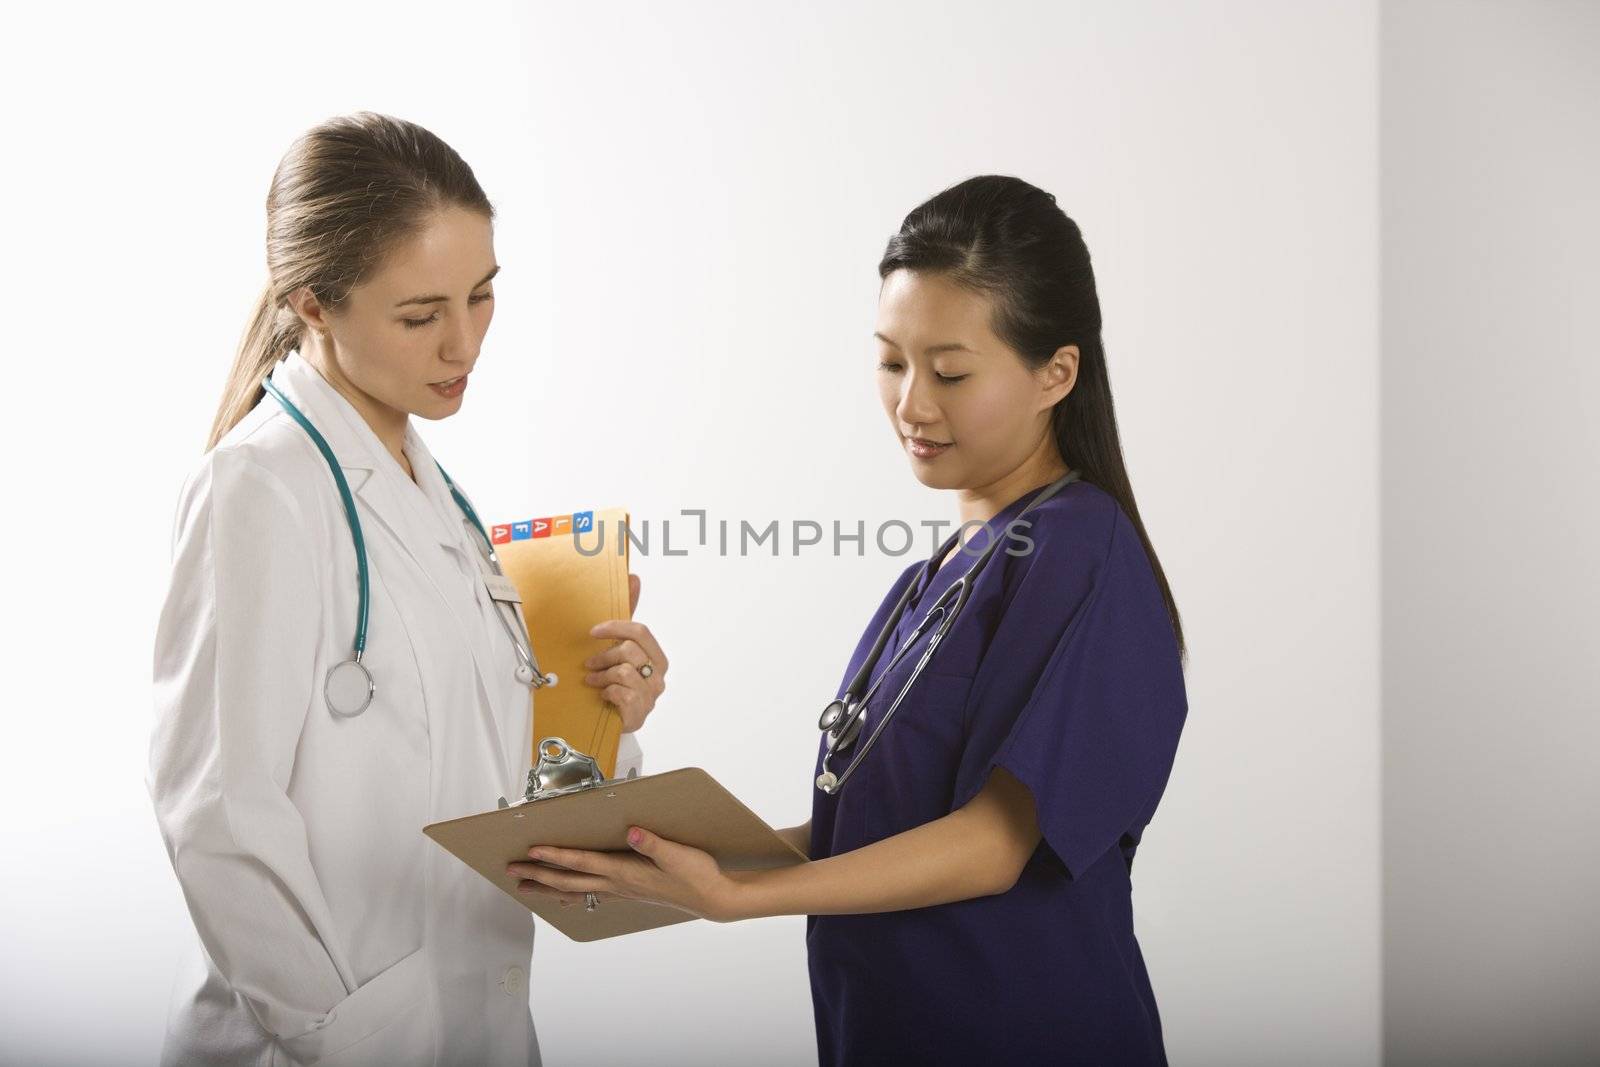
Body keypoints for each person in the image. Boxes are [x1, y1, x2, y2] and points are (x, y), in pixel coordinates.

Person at [506, 175, 1190, 1065]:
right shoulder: (934, 575)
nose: (912, 403)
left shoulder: (1080, 550)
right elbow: (866, 834)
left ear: (1055, 372)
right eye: (891, 361)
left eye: (950, 371)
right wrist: (666, 854)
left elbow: (995, 843)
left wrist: (738, 897)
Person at [147, 112, 670, 1067]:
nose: (464, 343)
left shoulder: (441, 508)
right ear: (313, 303)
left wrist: (610, 720)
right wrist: (344, 1036)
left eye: (482, 296)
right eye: (421, 315)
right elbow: (218, 814)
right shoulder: (261, 488)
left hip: (475, 1021)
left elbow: (492, 791)